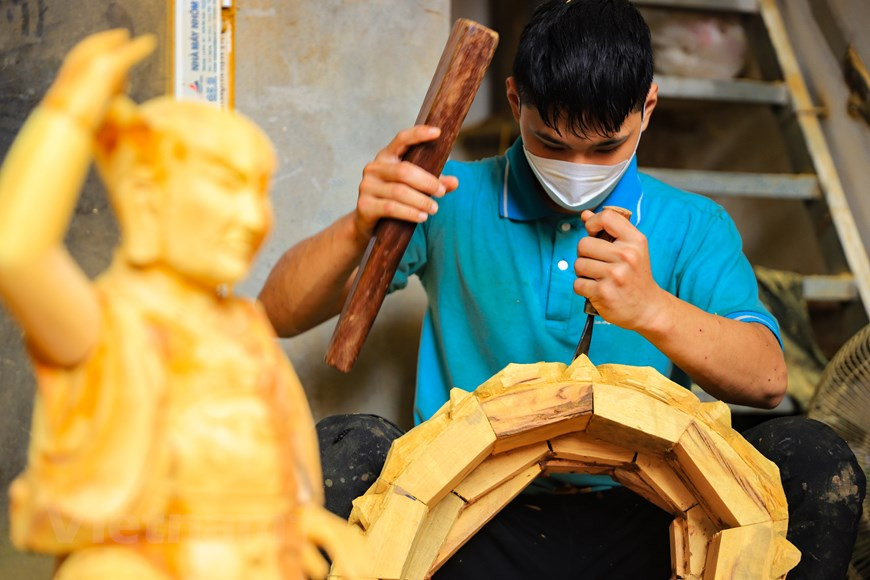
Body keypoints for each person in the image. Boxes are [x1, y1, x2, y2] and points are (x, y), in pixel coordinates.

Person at [259, 1, 865, 578]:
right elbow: (279, 313)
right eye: (552, 143)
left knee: (812, 457)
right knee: (344, 449)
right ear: (516, 100)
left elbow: (768, 381)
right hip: (465, 515)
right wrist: (358, 224)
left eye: (606, 148)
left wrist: (652, 309)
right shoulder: (445, 196)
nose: (577, 167)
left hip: (649, 516)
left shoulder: (693, 224)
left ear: (648, 107)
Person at [0, 30, 362, 579]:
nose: (252, 218)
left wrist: (302, 522)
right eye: (225, 185)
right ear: (147, 194)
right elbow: (18, 252)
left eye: (259, 191)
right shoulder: (109, 323)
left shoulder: (245, 328)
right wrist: (70, 110)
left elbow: (291, 473)